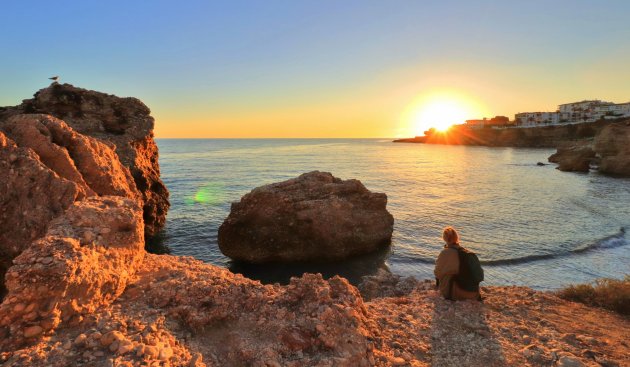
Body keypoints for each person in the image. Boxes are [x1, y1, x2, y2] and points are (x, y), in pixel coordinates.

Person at [434, 226, 482, 301]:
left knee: (444, 275)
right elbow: (479, 275)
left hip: (455, 293)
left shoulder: (444, 253)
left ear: (444, 238)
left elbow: (437, 273)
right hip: (473, 293)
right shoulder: (466, 253)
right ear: (456, 237)